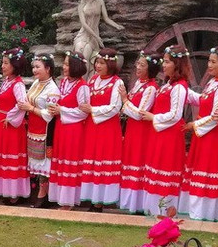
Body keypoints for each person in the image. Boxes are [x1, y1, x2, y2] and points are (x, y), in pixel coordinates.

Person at [178, 46, 218, 222]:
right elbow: (202, 100)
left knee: (207, 169)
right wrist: (182, 91)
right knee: (198, 168)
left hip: (213, 135)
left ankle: (206, 213)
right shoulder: (212, 83)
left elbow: (217, 115)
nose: (209, 65)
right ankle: (195, 210)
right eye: (209, 61)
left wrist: (194, 124)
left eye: (213, 62)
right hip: (202, 134)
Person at [142, 45, 190, 216]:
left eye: (168, 62)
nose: (164, 65)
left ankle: (164, 210)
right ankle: (154, 209)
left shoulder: (179, 86)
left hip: (169, 135)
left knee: (165, 170)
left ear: (177, 64)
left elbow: (176, 115)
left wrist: (153, 117)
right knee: (156, 168)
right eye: (164, 61)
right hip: (161, 133)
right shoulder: (169, 84)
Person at [79, 48, 125, 210]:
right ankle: (92, 198)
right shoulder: (92, 80)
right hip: (92, 127)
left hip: (107, 128)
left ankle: (101, 201)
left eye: (102, 63)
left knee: (103, 160)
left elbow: (115, 107)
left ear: (110, 64)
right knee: (92, 160)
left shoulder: (117, 82)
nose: (98, 66)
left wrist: (92, 110)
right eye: (97, 62)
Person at [118, 52, 161, 213]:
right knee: (130, 161)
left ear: (150, 68)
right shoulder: (138, 84)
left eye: (142, 65)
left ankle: (138, 204)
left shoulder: (151, 88)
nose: (138, 67)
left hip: (142, 132)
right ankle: (129, 202)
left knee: (138, 161)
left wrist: (124, 101)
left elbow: (139, 113)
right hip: (132, 130)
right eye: (138, 64)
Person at [47, 53, 91, 209]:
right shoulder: (64, 82)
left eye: (67, 65)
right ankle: (60, 198)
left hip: (74, 129)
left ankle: (69, 201)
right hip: (61, 127)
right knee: (61, 160)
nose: (64, 67)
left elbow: (83, 112)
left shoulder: (83, 86)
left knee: (70, 162)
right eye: (64, 64)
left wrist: (62, 110)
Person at [0, 48, 30, 202]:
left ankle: (14, 193)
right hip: (2, 123)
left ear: (15, 65)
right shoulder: (7, 81)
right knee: (2, 155)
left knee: (11, 155)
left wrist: (10, 117)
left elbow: (22, 103)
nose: (3, 66)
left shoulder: (18, 84)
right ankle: (3, 189)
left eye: (6, 63)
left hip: (11, 125)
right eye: (3, 63)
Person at [19, 53, 60, 207]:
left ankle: (44, 194)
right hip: (33, 129)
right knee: (35, 162)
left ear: (48, 68)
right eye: (33, 67)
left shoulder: (53, 89)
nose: (34, 70)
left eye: (38, 67)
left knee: (44, 163)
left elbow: (50, 115)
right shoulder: (36, 83)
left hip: (45, 130)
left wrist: (30, 108)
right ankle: (39, 192)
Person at [73, 0, 124, 68]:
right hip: (84, 34)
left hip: (94, 35)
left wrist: (116, 26)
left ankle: (88, 80)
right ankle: (81, 79)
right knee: (81, 57)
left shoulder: (100, 2)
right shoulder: (81, 6)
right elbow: (84, 24)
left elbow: (106, 18)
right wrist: (97, 38)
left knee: (88, 57)